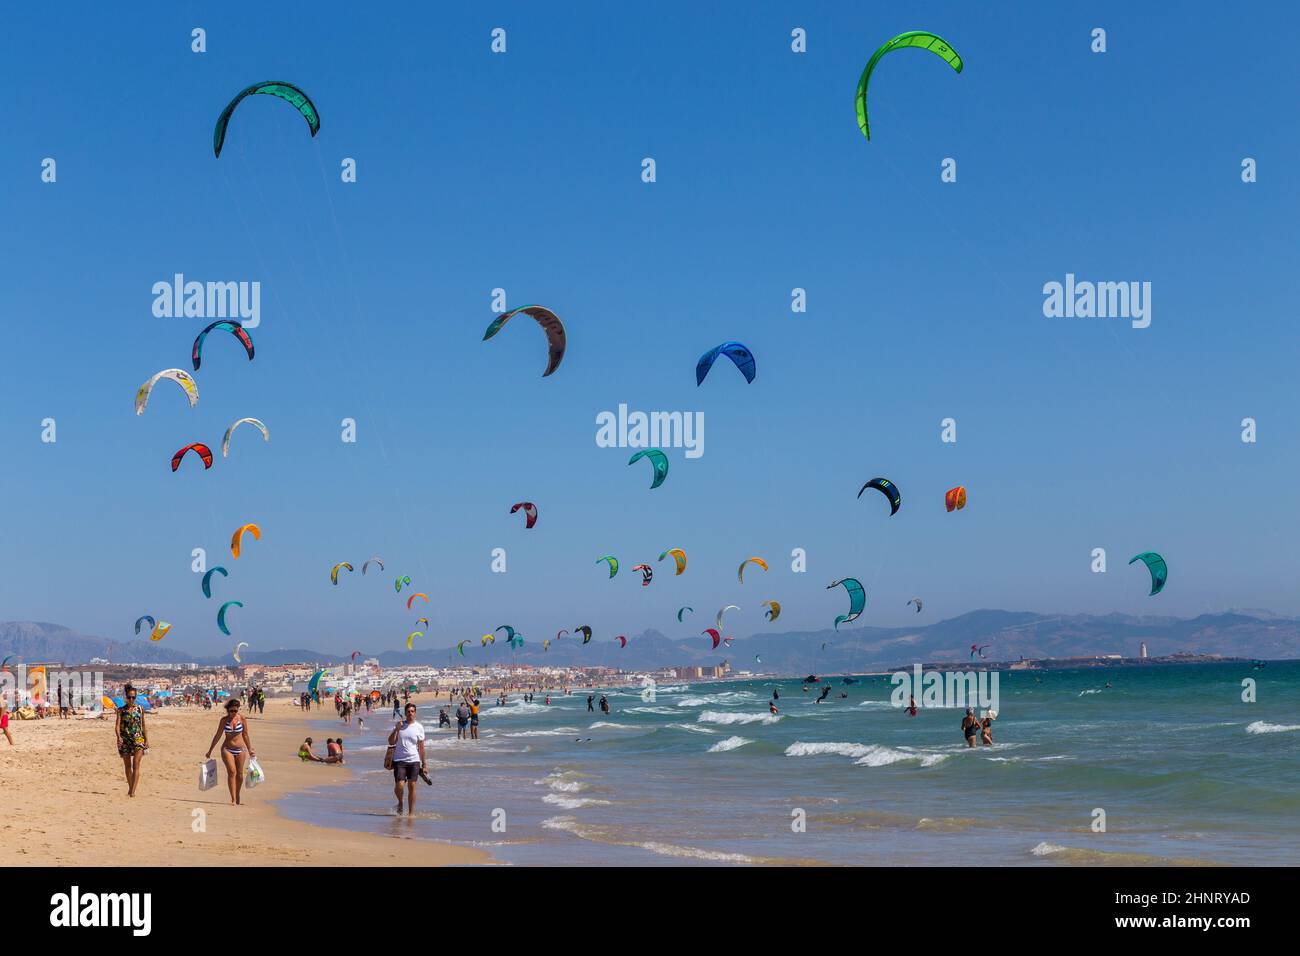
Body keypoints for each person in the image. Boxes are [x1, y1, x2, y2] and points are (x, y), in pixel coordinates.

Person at [207, 698, 256, 805]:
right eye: (231, 711)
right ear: (227, 710)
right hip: (227, 749)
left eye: (235, 711)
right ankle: (233, 799)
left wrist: (250, 749)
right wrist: (210, 750)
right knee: (232, 772)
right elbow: (218, 735)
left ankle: (237, 793)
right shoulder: (224, 720)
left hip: (241, 749)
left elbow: (246, 735)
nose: (233, 713)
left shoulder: (242, 719)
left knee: (239, 774)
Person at [388, 703, 426, 816]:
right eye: (408, 711)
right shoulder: (399, 725)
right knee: (399, 785)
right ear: (405, 713)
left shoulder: (419, 727)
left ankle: (411, 813)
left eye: (412, 711)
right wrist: (396, 729)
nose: (410, 713)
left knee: (412, 785)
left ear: (415, 713)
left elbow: (422, 747)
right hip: (399, 760)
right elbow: (391, 742)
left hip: (414, 760)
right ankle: (400, 802)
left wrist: (424, 764)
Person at [115, 684, 149, 797]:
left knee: (136, 765)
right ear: (126, 697)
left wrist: (146, 740)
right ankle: (131, 787)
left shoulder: (140, 709)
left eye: (133, 697)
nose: (131, 699)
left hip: (138, 739)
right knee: (127, 766)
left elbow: (143, 725)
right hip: (125, 740)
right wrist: (118, 737)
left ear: (136, 697)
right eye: (129, 697)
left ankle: (132, 792)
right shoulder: (121, 710)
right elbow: (117, 725)